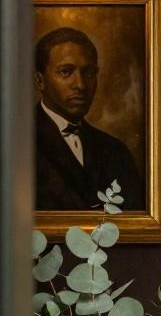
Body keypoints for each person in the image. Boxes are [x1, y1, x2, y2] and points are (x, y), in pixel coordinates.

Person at [34, 26, 144, 211]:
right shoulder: (15, 146)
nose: (80, 84)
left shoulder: (116, 152)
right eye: (66, 72)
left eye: (88, 73)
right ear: (40, 81)